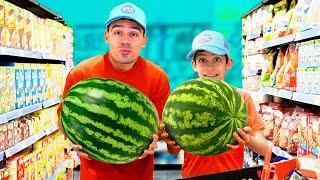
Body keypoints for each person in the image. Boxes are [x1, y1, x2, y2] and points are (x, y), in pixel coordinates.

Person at [57, 2, 170, 180]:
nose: (125, 40)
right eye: (118, 32)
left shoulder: (158, 77)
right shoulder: (81, 73)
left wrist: (155, 139)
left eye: (133, 33)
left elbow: (161, 127)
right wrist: (72, 138)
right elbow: (62, 119)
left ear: (144, 40)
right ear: (106, 36)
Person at [161, 30, 268, 178]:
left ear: (228, 63)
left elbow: (264, 149)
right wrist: (170, 144)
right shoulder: (184, 99)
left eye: (217, 59)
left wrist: (248, 140)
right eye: (202, 60)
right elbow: (174, 151)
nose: (209, 67)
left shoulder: (241, 98)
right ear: (194, 65)